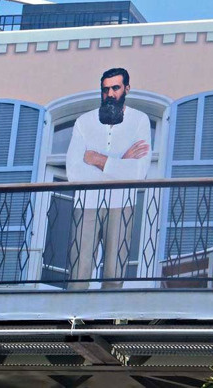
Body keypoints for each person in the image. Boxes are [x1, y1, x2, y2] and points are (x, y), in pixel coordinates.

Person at [65, 67, 152, 290]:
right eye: (105, 89)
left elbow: (138, 172)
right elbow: (73, 173)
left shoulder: (140, 121)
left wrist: (97, 159)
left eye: (115, 88)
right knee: (78, 273)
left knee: (115, 273)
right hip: (86, 204)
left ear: (127, 89)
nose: (110, 94)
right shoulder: (84, 122)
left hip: (122, 203)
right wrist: (120, 162)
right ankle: (73, 310)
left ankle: (109, 312)